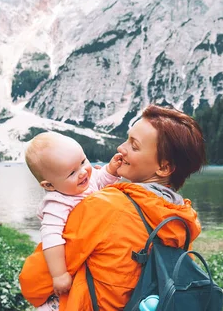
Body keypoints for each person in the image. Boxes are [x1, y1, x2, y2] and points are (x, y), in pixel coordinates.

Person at [19, 105, 206, 310]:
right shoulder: (181, 218)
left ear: (163, 167)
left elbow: (33, 283)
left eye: (134, 146)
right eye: (127, 139)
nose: (121, 148)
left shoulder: (104, 206)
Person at [24, 132, 123, 310]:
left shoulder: (85, 179)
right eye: (72, 172)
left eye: (83, 161)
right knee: (68, 293)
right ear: (49, 185)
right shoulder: (57, 204)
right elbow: (51, 239)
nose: (83, 172)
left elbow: (100, 180)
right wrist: (59, 274)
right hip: (70, 258)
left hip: (91, 247)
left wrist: (111, 170)